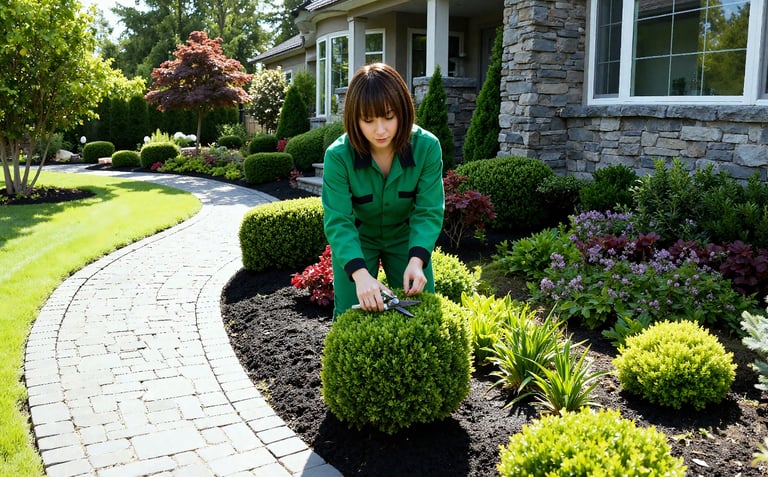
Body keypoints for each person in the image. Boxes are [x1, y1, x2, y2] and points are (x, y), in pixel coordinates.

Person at [322, 63, 445, 319]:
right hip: (358, 240)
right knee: (349, 317)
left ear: (403, 111)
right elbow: (339, 221)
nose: (380, 130)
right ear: (355, 120)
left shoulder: (427, 147)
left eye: (389, 117)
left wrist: (418, 259)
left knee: (423, 312)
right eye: (368, 120)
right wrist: (359, 273)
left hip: (405, 238)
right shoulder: (338, 156)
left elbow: (428, 210)